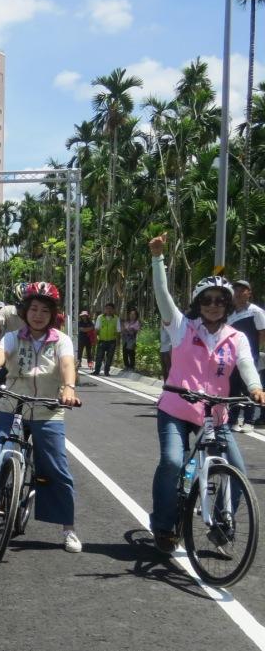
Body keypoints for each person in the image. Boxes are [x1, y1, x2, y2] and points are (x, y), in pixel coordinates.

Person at [148, 233, 265, 553]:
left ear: (228, 305)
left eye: (220, 300)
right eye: (207, 300)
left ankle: (222, 522)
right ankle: (162, 526)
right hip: (176, 407)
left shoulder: (236, 337)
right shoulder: (182, 326)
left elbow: (247, 366)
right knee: (172, 461)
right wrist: (158, 257)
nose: (214, 305)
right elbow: (161, 293)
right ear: (198, 304)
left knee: (237, 471)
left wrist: (255, 388)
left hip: (215, 414)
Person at [0, 281, 83, 553]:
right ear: (25, 311)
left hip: (48, 409)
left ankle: (67, 528)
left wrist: (69, 388)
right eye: (33, 308)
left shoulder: (62, 340)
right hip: (13, 406)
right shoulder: (13, 337)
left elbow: (68, 365)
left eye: (44, 310)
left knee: (57, 468)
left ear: (52, 315)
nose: (38, 315)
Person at [228, 280, 265, 431]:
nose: (238, 293)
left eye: (242, 290)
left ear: (249, 293)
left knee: (249, 387)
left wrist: (255, 350)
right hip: (231, 357)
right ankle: (233, 419)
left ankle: (249, 420)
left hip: (249, 356)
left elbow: (262, 333)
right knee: (233, 388)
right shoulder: (230, 313)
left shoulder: (255, 311)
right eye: (235, 290)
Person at [0, 284, 28, 356]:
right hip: (5, 348)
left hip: (25, 352)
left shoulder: (34, 316)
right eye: (20, 305)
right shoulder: (6, 310)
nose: (23, 309)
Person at [92, 303, 121, 376]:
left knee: (109, 358)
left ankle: (106, 371)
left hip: (112, 341)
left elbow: (118, 331)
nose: (109, 310)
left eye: (110, 309)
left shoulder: (116, 318)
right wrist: (95, 339)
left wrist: (118, 343)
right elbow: (96, 329)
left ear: (113, 310)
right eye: (107, 308)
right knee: (99, 356)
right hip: (102, 340)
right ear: (105, 309)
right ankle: (97, 371)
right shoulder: (100, 317)